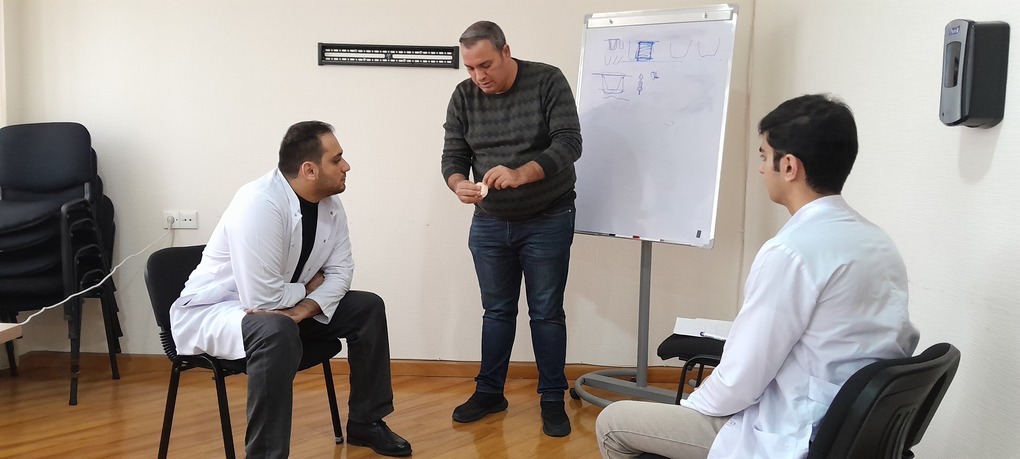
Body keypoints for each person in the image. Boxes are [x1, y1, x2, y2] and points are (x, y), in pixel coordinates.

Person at [595, 94, 921, 458]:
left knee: (613, 422)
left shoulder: (792, 252)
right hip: (849, 429)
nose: (761, 169)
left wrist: (690, 407)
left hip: (791, 433)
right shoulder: (878, 241)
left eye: (765, 156)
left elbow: (740, 381)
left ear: (790, 166)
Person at [170, 121, 411, 458]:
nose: (346, 166)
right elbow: (261, 300)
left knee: (367, 308)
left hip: (285, 312)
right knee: (276, 329)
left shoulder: (330, 204)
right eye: (337, 159)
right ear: (309, 170)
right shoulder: (259, 203)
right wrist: (307, 289)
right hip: (220, 312)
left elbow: (341, 273)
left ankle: (366, 422)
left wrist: (305, 307)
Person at [441, 20, 583, 437]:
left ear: (506, 52)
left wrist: (522, 174)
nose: (478, 76)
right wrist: (458, 184)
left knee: (546, 312)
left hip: (548, 215)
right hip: (489, 220)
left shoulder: (547, 80)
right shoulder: (464, 96)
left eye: (485, 64)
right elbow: (453, 155)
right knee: (497, 311)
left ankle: (552, 398)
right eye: (470, 68)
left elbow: (570, 142)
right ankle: (490, 392)